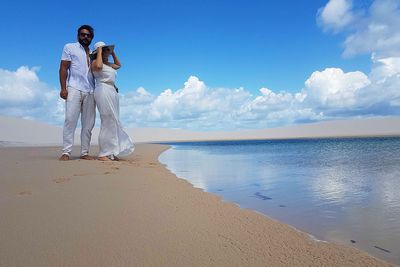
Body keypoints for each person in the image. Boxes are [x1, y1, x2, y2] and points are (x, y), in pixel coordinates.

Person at [90, 41, 134, 161]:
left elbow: (119, 65)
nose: (106, 52)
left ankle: (112, 152)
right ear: (98, 51)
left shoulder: (109, 64)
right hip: (102, 89)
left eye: (107, 50)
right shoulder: (95, 62)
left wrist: (113, 52)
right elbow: (99, 67)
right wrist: (99, 50)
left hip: (112, 90)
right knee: (107, 120)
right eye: (105, 50)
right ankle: (103, 153)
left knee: (114, 121)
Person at [59, 25, 96, 161]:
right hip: (74, 87)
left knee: (88, 123)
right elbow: (63, 68)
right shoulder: (70, 47)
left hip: (91, 90)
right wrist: (63, 88)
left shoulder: (93, 53)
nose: (85, 37)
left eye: (88, 35)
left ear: (92, 37)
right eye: (83, 34)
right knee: (70, 119)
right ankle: (66, 152)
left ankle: (85, 152)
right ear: (78, 35)